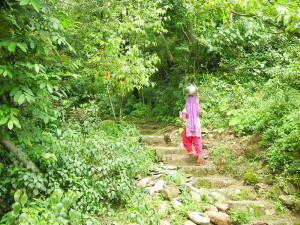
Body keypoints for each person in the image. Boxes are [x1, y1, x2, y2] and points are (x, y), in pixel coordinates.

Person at [179, 85, 203, 165]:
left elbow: (182, 118)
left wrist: (180, 116)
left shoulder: (185, 109)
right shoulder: (196, 105)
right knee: (197, 140)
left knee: (185, 139)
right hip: (197, 123)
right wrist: (196, 90)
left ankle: (189, 150)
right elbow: (197, 98)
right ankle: (199, 154)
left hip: (189, 124)